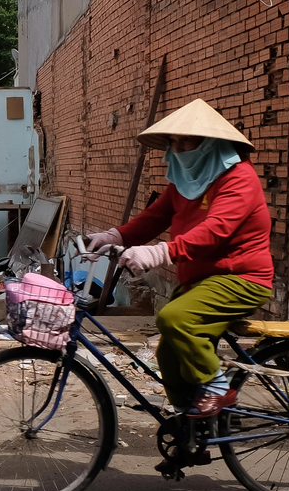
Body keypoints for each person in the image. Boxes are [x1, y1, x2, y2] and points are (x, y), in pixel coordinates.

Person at [86, 98, 273, 419]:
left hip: (242, 279)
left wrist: (157, 252)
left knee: (174, 319)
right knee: (169, 355)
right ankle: (189, 426)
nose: (179, 148)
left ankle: (217, 389)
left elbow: (215, 231)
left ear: (210, 143)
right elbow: (152, 219)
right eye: (174, 141)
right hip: (201, 281)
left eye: (186, 140)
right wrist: (113, 237)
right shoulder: (185, 184)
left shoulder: (239, 179)